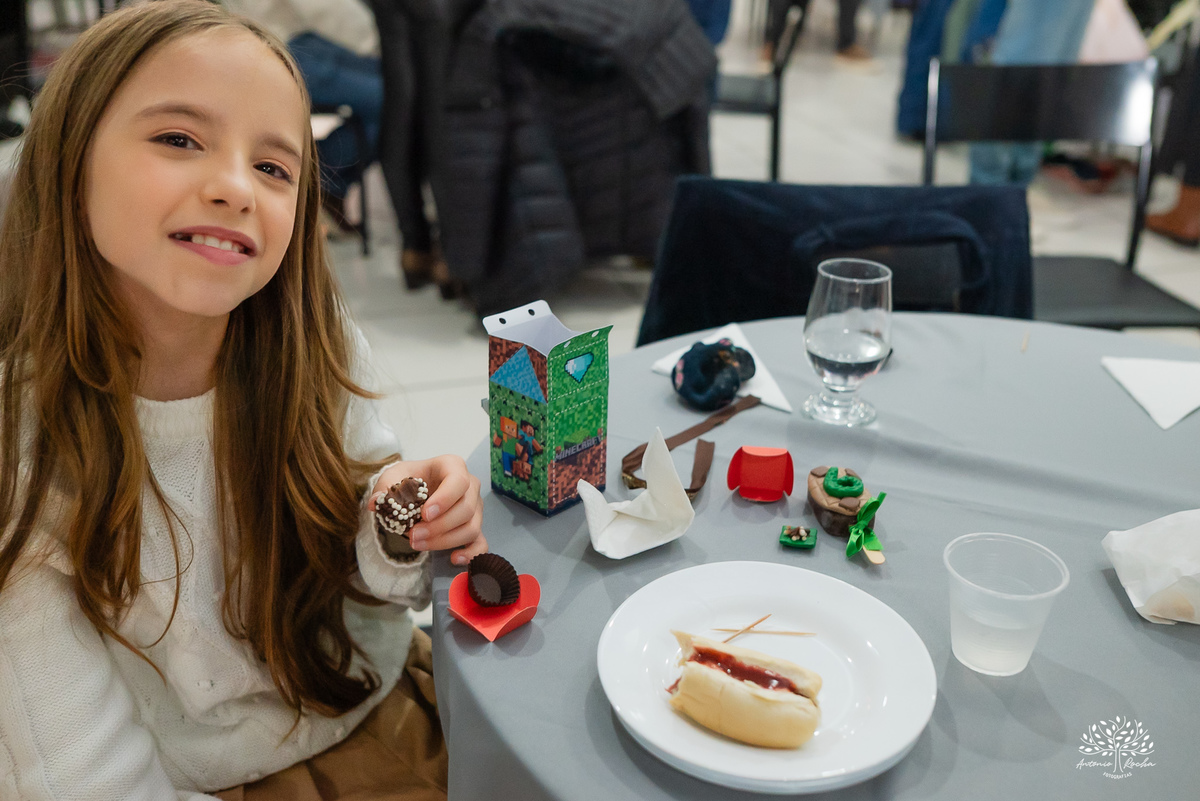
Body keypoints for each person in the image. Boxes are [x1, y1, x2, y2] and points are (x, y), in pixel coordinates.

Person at [0, 3, 485, 800]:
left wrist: (399, 525)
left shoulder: (315, 343)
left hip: (370, 696)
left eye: (273, 167)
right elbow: (84, 775)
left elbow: (364, 563)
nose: (233, 187)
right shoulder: (23, 451)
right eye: (178, 139)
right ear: (67, 161)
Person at [221, 0, 385, 234]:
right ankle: (318, 178)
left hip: (301, 38)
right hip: (284, 44)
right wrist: (374, 40)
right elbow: (323, 8)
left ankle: (321, 180)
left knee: (402, 95)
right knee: (395, 101)